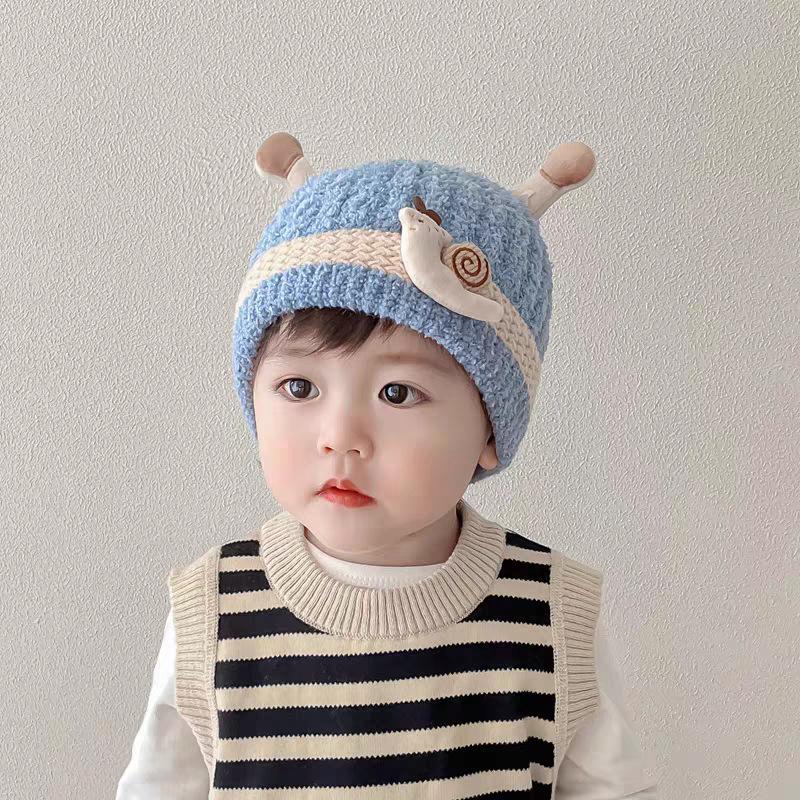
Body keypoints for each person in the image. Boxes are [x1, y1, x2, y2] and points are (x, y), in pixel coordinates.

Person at [116, 133, 658, 798]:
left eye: (397, 393)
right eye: (299, 387)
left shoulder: (552, 616)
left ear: (491, 430)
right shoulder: (214, 613)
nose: (341, 438)